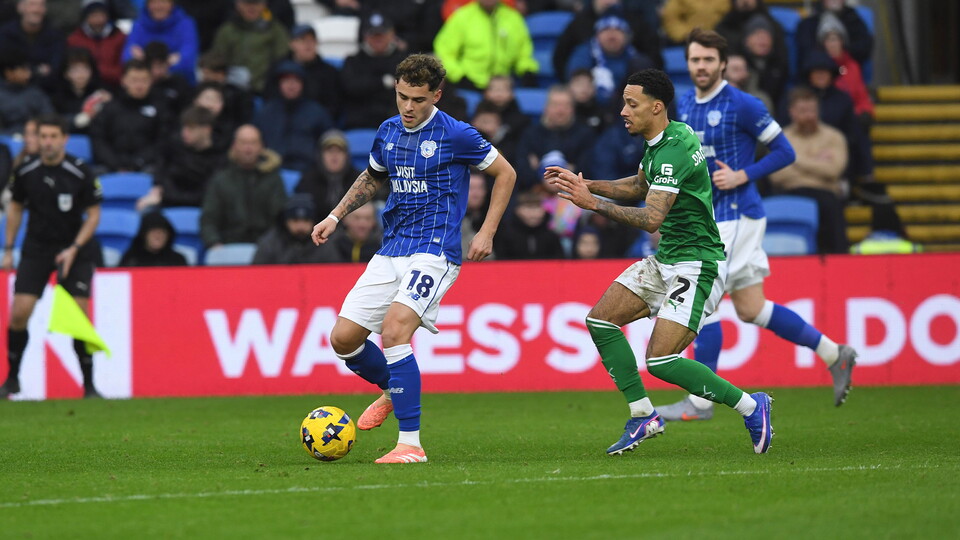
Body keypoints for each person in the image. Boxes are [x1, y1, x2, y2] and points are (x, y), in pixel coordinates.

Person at [545, 68, 774, 455]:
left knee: (662, 361)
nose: (623, 110)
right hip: (666, 257)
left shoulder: (672, 152)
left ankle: (752, 406)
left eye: (631, 104)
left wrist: (593, 204)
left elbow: (652, 218)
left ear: (656, 107)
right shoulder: (669, 137)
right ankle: (642, 415)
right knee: (600, 320)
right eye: (623, 102)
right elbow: (638, 186)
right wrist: (588, 186)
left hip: (696, 264)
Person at [310, 54, 516, 464]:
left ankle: (410, 444)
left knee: (394, 330)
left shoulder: (456, 134)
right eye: (402, 97)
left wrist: (487, 232)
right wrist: (335, 216)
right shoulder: (388, 131)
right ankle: (393, 389)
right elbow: (373, 176)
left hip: (435, 251)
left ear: (436, 95)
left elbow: (506, 173)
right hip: (391, 249)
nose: (407, 107)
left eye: (418, 99)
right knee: (344, 340)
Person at [663, 29, 856, 421]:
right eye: (694, 60)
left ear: (723, 63)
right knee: (751, 308)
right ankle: (835, 354)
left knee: (702, 303)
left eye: (708, 60)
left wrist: (743, 175)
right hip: (710, 218)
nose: (701, 66)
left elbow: (784, 151)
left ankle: (700, 403)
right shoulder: (685, 103)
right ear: (688, 63)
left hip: (737, 214)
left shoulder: (743, 105)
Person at [0, 115, 103, 399]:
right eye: (42, 136)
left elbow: (94, 215)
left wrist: (74, 247)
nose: (47, 142)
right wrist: (9, 248)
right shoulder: (25, 171)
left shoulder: (80, 171)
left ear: (64, 139)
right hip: (37, 249)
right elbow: (16, 208)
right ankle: (12, 378)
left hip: (75, 249)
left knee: (79, 313)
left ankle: (89, 385)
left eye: (52, 136)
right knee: (19, 312)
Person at [769, 87, 849, 254]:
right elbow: (776, 175)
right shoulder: (781, 138)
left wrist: (794, 159)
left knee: (831, 208)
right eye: (803, 111)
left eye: (813, 110)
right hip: (791, 193)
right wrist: (817, 162)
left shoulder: (834, 136)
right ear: (792, 112)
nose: (809, 115)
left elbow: (834, 170)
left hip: (825, 194)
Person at [200, 124, 286, 247]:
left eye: (253, 143)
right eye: (243, 143)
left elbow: (280, 218)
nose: (248, 149)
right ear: (234, 146)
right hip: (227, 247)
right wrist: (214, 243)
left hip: (266, 249)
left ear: (261, 146)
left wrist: (272, 246)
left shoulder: (273, 180)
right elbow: (208, 219)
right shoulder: (220, 180)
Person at [433, 0, 538, 91]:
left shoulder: (514, 18)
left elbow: (523, 53)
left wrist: (527, 70)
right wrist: (460, 77)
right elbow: (444, 52)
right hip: (469, 84)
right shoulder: (462, 17)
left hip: (502, 86)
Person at [137, 105, 226, 209]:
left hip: (201, 207)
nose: (184, 132)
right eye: (184, 127)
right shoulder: (173, 148)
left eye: (191, 128)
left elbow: (207, 193)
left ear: (207, 130)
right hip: (168, 203)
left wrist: (165, 196)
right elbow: (162, 176)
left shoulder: (220, 157)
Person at [89, 59, 169, 173]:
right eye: (134, 80)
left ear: (151, 81)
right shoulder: (109, 108)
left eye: (144, 80)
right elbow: (98, 140)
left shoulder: (160, 108)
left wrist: (139, 161)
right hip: (110, 166)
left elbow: (162, 142)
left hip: (147, 165)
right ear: (124, 81)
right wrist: (115, 164)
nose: (139, 85)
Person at [252, 60, 334, 172]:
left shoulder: (317, 112)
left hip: (310, 172)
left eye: (296, 80)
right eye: (286, 80)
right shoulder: (265, 113)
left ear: (303, 84)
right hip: (271, 172)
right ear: (278, 84)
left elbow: (330, 142)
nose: (291, 85)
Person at [552, 0, 662, 81]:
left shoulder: (638, 23)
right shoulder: (579, 24)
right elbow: (560, 57)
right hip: (587, 94)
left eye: (617, 30)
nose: (608, 2)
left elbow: (655, 59)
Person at [338, 12, 406, 130]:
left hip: (396, 123)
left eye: (382, 34)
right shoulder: (353, 61)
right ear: (365, 36)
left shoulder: (404, 61)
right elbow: (351, 88)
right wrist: (382, 82)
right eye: (373, 35)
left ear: (392, 34)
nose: (378, 38)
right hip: (360, 123)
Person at [209, 0, 289, 93]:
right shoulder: (227, 30)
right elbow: (218, 58)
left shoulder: (275, 30)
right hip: (232, 90)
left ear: (264, 5)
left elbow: (282, 57)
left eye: (256, 3)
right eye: (247, 3)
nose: (252, 8)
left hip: (264, 90)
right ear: (238, 5)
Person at [266, 24, 340, 116]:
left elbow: (333, 106)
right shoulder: (278, 69)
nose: (308, 44)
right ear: (291, 44)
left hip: (317, 124)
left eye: (312, 40)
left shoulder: (329, 72)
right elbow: (270, 99)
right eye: (302, 40)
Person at [294, 129, 368, 221]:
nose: (334, 156)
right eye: (329, 151)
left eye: (339, 151)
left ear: (347, 155)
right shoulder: (307, 180)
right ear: (320, 155)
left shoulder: (360, 180)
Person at [122, 0, 199, 85]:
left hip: (179, 83)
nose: (159, 6)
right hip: (145, 85)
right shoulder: (139, 24)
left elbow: (188, 59)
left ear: (172, 4)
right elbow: (127, 57)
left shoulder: (185, 24)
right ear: (147, 5)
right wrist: (167, 62)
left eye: (163, 2)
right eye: (154, 2)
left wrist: (148, 63)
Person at [253, 194, 338, 264]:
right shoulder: (270, 243)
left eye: (306, 220)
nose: (300, 226)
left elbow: (334, 273)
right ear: (285, 221)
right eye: (295, 220)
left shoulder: (325, 242)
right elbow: (257, 273)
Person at [0, 0, 64, 89]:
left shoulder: (55, 35)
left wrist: (27, 74)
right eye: (31, 4)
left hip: (45, 91)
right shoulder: (5, 33)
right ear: (19, 7)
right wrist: (37, 71)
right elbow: (5, 69)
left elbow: (55, 71)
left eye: (41, 5)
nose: (36, 10)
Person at [66, 0, 128, 89]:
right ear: (86, 17)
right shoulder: (75, 39)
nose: (98, 19)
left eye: (101, 14)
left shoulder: (119, 37)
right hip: (84, 87)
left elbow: (123, 68)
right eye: (94, 15)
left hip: (115, 86)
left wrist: (98, 72)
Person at [493, 189, 565, 260]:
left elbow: (559, 261)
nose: (533, 213)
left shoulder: (551, 236)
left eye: (537, 207)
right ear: (517, 210)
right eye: (528, 207)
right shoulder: (507, 235)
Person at [0, 48, 54, 135]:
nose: (28, 74)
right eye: (23, 70)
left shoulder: (36, 93)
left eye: (28, 69)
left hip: (36, 138)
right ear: (8, 72)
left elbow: (49, 117)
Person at [119, 210, 188, 266]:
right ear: (144, 235)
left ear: (168, 236)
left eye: (162, 233)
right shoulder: (131, 260)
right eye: (153, 233)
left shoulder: (177, 260)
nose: (158, 237)